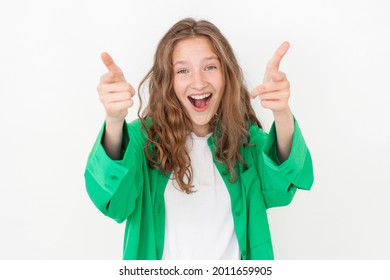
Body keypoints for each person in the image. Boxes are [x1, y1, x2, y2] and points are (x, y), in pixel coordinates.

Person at [84, 18, 314, 260]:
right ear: (167, 81)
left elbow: (281, 186)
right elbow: (113, 200)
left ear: (227, 74)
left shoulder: (245, 140)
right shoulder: (143, 141)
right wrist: (113, 120)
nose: (198, 82)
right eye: (183, 70)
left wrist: (282, 113)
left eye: (210, 67)